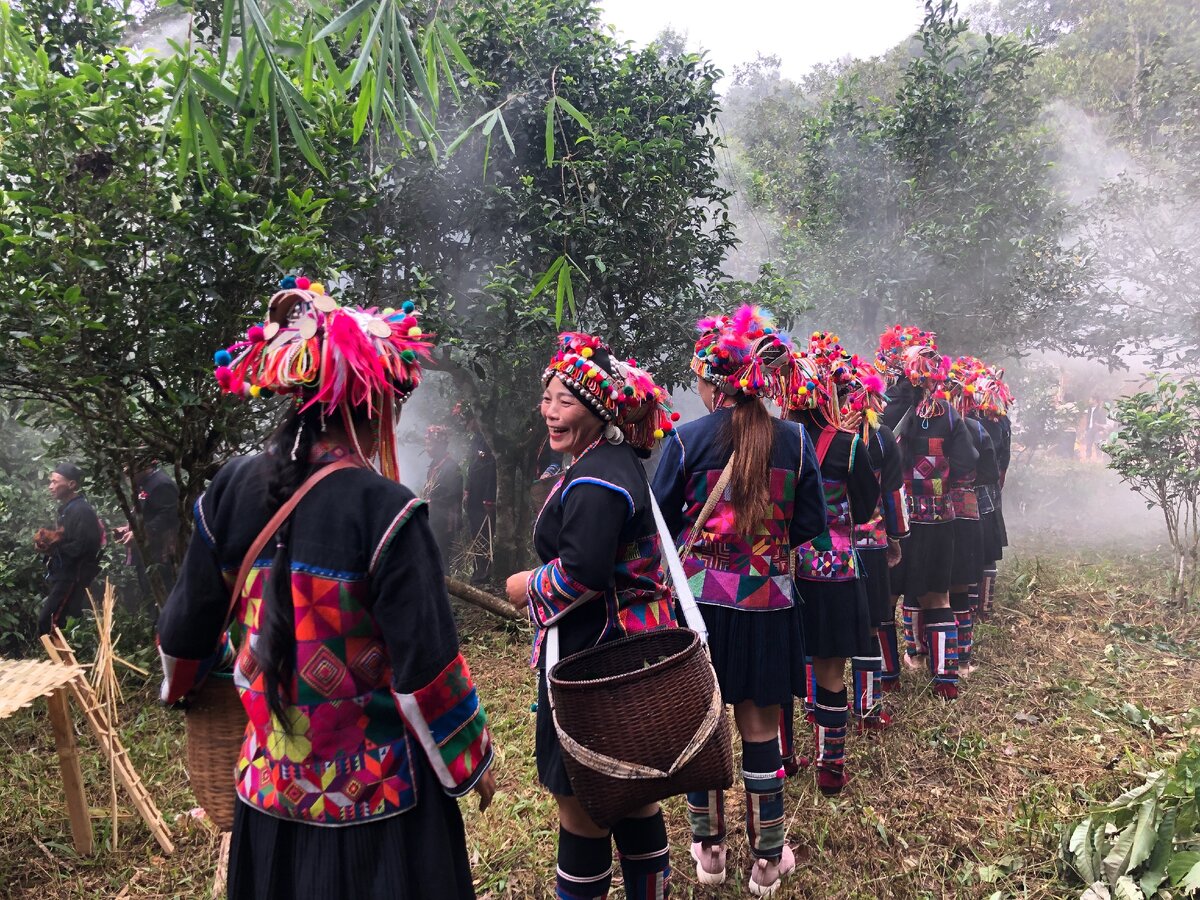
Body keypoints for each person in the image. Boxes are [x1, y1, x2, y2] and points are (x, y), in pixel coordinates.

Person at [157, 279, 495, 900]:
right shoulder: (387, 510)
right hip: (382, 805)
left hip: (269, 795)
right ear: (374, 405)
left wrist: (191, 684)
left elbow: (183, 635)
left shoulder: (231, 488)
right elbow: (427, 668)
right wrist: (471, 761)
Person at [652, 307, 825, 896]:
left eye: (700, 381)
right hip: (768, 606)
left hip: (699, 612)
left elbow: (658, 521)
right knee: (759, 730)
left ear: (714, 384)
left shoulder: (686, 439)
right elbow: (810, 524)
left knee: (704, 727)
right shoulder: (794, 440)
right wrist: (764, 548)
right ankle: (769, 860)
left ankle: (709, 851)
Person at [505, 331, 680, 900]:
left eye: (565, 400)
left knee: (581, 805)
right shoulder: (609, 461)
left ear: (599, 408)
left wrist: (527, 584)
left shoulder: (596, 477)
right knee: (635, 796)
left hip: (594, 666)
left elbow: (583, 573)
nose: (551, 411)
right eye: (547, 398)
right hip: (626, 654)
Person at [783, 336, 879, 795]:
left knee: (780, 668)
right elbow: (865, 507)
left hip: (781, 571)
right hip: (836, 570)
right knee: (830, 671)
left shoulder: (775, 443)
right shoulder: (849, 445)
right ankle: (830, 768)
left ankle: (781, 757)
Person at [890, 345, 978, 700]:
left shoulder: (887, 408)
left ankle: (888, 678)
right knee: (938, 598)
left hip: (896, 521)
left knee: (887, 599)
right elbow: (967, 460)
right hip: (939, 519)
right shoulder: (950, 415)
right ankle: (945, 682)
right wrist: (939, 481)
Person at [847, 361, 909, 715]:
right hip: (872, 540)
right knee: (874, 618)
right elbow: (893, 491)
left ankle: (814, 706)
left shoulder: (819, 434)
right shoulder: (882, 436)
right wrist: (897, 535)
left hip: (825, 547)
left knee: (820, 629)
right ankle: (872, 701)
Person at [946, 358, 1000, 678]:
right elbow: (990, 473)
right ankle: (962, 661)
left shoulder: (924, 427)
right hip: (967, 510)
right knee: (962, 588)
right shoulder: (977, 429)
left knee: (931, 591)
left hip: (932, 513)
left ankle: (921, 653)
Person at [37, 462, 104, 635]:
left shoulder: (81, 511)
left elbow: (83, 547)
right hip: (64, 574)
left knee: (49, 622)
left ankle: (58, 652)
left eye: (55, 482)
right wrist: (49, 543)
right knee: (54, 621)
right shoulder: (67, 509)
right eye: (50, 482)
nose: (50, 486)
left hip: (73, 576)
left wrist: (55, 546)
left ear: (71, 484)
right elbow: (68, 539)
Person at [115, 458, 180, 607]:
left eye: (129, 464)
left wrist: (142, 533)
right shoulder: (144, 483)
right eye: (123, 465)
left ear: (146, 462)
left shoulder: (161, 484)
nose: (125, 470)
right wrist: (129, 529)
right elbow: (147, 513)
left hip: (162, 556)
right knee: (151, 597)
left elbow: (169, 515)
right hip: (148, 554)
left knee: (164, 598)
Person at [462, 414, 496, 585]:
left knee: (485, 534)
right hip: (474, 497)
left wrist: (489, 498)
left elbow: (491, 470)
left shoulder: (488, 439)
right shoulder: (476, 439)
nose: (467, 425)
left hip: (484, 498)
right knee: (475, 533)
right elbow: (472, 468)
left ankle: (484, 573)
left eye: (469, 420)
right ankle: (477, 571)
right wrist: (467, 490)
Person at [423, 425, 463, 568]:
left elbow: (452, 495)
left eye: (431, 445)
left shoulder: (451, 467)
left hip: (445, 521)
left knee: (441, 557)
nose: (428, 449)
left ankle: (444, 582)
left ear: (440, 445)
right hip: (433, 518)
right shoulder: (435, 465)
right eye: (427, 444)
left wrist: (430, 502)